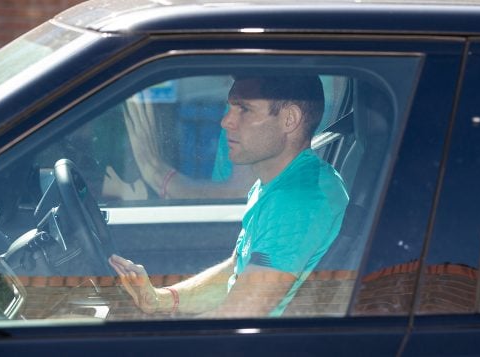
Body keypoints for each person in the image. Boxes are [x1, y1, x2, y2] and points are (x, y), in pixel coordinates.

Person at [109, 75, 349, 317]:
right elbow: (235, 271)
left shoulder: (299, 201)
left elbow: (238, 316)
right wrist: (160, 300)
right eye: (230, 108)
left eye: (244, 109)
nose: (225, 121)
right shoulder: (276, 185)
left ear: (289, 119)